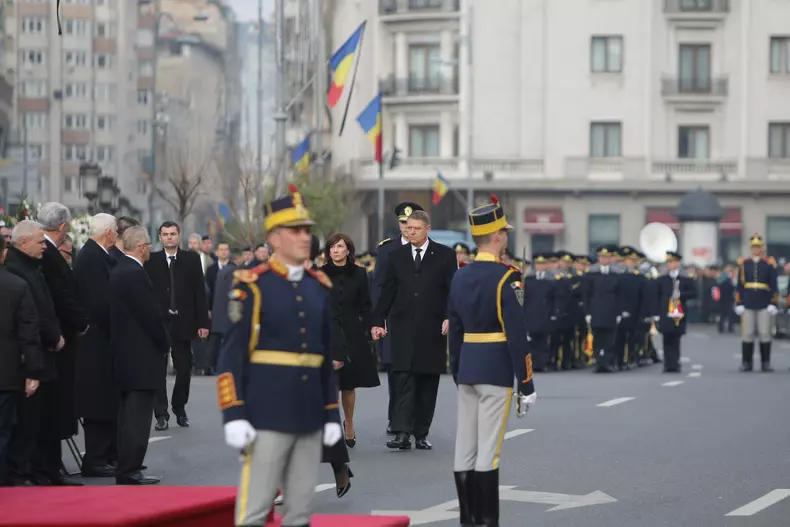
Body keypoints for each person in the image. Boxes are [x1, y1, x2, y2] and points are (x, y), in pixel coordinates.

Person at [217, 184, 341, 526]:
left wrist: (331, 415)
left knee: (299, 512)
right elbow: (231, 357)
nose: (305, 237)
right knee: (254, 512)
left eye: (307, 230)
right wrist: (234, 413)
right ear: (274, 238)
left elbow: (323, 360)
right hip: (266, 416)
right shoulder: (252, 285)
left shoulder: (319, 287)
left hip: (309, 415)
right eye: (295, 231)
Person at [448, 195, 537, 526]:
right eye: (505, 233)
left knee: (465, 448)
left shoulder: (460, 276)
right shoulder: (507, 277)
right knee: (488, 451)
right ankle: (487, 522)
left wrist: (457, 370)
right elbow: (517, 335)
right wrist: (525, 383)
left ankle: (467, 520)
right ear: (498, 236)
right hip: (494, 370)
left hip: (468, 367)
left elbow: (454, 330)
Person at [372, 209, 457, 451]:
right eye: (408, 228)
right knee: (402, 378)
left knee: (427, 380)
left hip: (432, 327)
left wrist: (449, 317)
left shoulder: (445, 255)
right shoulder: (395, 255)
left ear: (427, 229)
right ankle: (401, 432)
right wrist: (378, 320)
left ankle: (421, 432)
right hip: (402, 326)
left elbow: (453, 291)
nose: (410, 232)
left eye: (416, 228)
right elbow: (386, 289)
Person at [4, 220, 63, 486]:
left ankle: (33, 472)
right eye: (40, 242)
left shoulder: (29, 270)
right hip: (24, 362)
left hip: (30, 359)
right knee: (21, 425)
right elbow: (30, 323)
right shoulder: (18, 278)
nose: (45, 247)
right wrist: (35, 368)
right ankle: (20, 473)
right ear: (23, 243)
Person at [110, 226, 169, 485]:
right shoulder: (134, 273)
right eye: (148, 245)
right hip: (140, 356)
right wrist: (164, 341)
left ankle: (128, 464)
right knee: (137, 417)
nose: (150, 250)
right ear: (141, 247)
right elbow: (150, 315)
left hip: (126, 354)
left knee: (129, 415)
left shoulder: (121, 270)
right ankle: (130, 469)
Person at [37, 202, 89, 485]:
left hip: (55, 337)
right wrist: (81, 323)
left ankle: (50, 467)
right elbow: (61, 296)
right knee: (55, 406)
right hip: (57, 341)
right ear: (62, 228)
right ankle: (50, 469)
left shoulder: (46, 254)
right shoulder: (49, 256)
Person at [145, 221, 209, 430]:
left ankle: (179, 408)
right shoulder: (152, 260)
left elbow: (200, 292)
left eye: (173, 234)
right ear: (160, 237)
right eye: (165, 234)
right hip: (159, 323)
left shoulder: (191, 259)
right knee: (157, 369)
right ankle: (161, 414)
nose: (169, 237)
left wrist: (203, 322)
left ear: (179, 236)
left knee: (184, 368)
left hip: (184, 322)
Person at [321, 233, 379, 451]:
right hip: (327, 332)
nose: (335, 250)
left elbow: (366, 305)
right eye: (332, 247)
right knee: (330, 384)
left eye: (339, 246)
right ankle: (331, 428)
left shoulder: (360, 274)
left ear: (348, 250)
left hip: (352, 332)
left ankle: (350, 423)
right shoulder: (320, 274)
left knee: (348, 384)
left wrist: (373, 325)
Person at [371, 201, 423, 435]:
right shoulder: (386, 249)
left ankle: (414, 419)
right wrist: (377, 318)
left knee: (419, 369)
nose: (406, 227)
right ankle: (396, 418)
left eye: (411, 223)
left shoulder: (429, 249)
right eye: (403, 223)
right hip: (393, 318)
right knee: (395, 369)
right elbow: (379, 286)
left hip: (420, 318)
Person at [73, 213, 119, 477]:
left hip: (103, 340)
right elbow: (100, 303)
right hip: (96, 341)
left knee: (105, 400)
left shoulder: (99, 255)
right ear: (108, 232)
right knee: (97, 402)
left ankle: (105, 456)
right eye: (114, 232)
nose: (116, 236)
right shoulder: (92, 258)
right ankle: (95, 458)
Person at [0, 233, 43, 486]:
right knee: (4, 431)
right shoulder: (17, 286)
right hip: (6, 374)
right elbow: (29, 333)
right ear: (5, 253)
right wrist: (33, 372)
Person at [735, 233, 779, 372]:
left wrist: (773, 303)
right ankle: (746, 362)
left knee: (764, 333)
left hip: (764, 302)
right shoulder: (744, 264)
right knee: (747, 334)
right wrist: (739, 303)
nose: (755, 250)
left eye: (758, 247)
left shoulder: (768, 264)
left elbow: (773, 284)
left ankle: (765, 363)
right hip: (748, 301)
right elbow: (739, 285)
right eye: (753, 247)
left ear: (762, 248)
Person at [655, 251, 696, 373]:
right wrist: (656, 313)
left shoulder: (685, 279)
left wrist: (681, 295)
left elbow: (693, 293)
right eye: (669, 262)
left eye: (673, 262)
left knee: (676, 339)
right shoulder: (662, 280)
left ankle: (675, 363)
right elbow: (657, 296)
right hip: (665, 312)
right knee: (666, 338)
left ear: (678, 263)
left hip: (679, 312)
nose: (670, 264)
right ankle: (668, 364)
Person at [583, 245, 622, 374]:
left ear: (611, 259)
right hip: (596, 310)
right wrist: (587, 312)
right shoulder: (591, 274)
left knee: (610, 339)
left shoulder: (616, 274)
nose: (604, 259)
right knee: (597, 338)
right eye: (601, 257)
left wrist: (619, 312)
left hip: (611, 310)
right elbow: (586, 294)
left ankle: (608, 363)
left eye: (606, 257)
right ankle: (599, 362)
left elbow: (620, 295)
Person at [522, 253, 556, 373]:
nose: (540, 266)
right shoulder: (529, 280)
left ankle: (543, 363)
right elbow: (525, 299)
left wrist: (553, 313)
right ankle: (533, 364)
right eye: (538, 264)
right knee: (532, 341)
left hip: (545, 313)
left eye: (542, 264)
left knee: (544, 340)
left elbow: (554, 299)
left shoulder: (551, 280)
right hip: (531, 313)